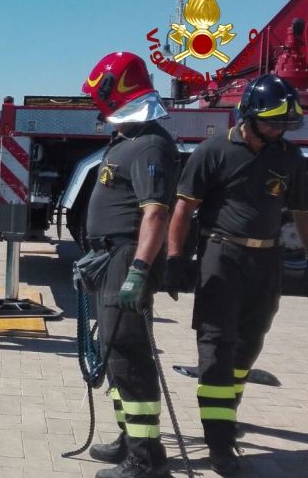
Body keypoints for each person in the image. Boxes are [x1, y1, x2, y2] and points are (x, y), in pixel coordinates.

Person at [164, 74, 308, 474]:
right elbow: (183, 208)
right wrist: (175, 259)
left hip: (266, 264)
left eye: (285, 123)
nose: (279, 129)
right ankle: (220, 445)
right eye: (272, 122)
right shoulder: (214, 151)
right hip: (220, 257)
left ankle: (225, 411)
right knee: (216, 347)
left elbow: (302, 214)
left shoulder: (289, 159)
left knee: (250, 342)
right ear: (249, 114)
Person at [76, 52, 179, 478]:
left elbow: (155, 213)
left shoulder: (151, 144)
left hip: (124, 260)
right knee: (112, 353)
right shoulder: (128, 142)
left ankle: (146, 459)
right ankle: (128, 439)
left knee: (130, 356)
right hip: (107, 259)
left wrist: (138, 271)